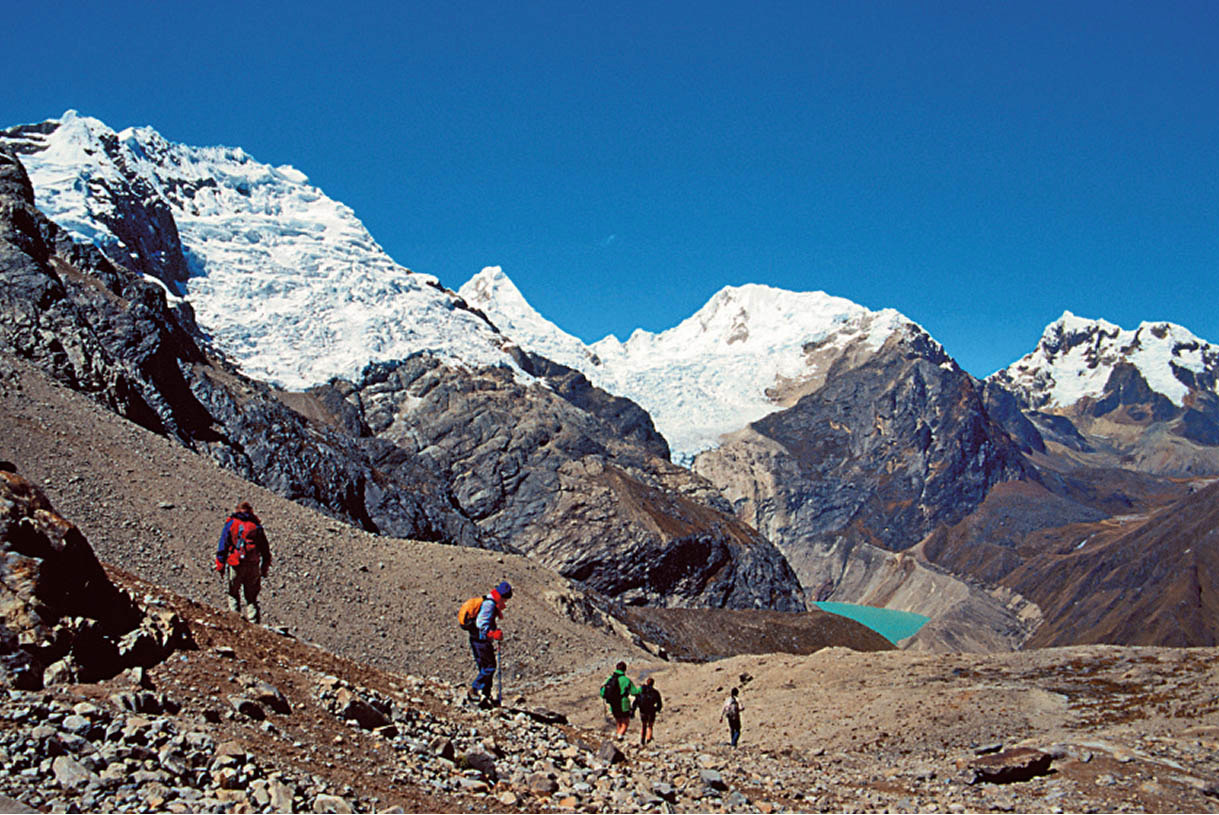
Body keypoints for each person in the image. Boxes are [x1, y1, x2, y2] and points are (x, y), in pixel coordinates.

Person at [214, 501, 271, 623]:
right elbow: (265, 549)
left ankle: (235, 621)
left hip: (236, 563)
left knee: (233, 593)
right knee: (251, 598)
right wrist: (264, 567)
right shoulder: (256, 526)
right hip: (253, 565)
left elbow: (223, 545)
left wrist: (220, 564)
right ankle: (254, 623)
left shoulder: (231, 524)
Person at [466, 581, 511, 707]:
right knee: (490, 666)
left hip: (477, 639)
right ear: (502, 596)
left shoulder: (488, 601)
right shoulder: (489, 605)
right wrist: (493, 634)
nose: (505, 603)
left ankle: (484, 695)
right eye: (505, 600)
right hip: (481, 641)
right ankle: (475, 690)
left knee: (484, 666)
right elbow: (481, 624)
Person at [599, 661, 640, 740]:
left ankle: (618, 735)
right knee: (625, 722)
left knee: (618, 721)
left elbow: (603, 692)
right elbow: (634, 692)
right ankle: (619, 736)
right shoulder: (626, 680)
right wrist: (641, 689)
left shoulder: (610, 679)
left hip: (613, 703)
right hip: (623, 703)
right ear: (625, 669)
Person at [633, 676, 662, 746]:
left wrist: (633, 709)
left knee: (644, 725)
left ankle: (642, 739)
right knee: (650, 725)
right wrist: (657, 709)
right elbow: (659, 703)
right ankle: (649, 738)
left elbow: (636, 700)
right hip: (651, 710)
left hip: (643, 710)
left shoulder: (642, 691)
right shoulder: (655, 692)